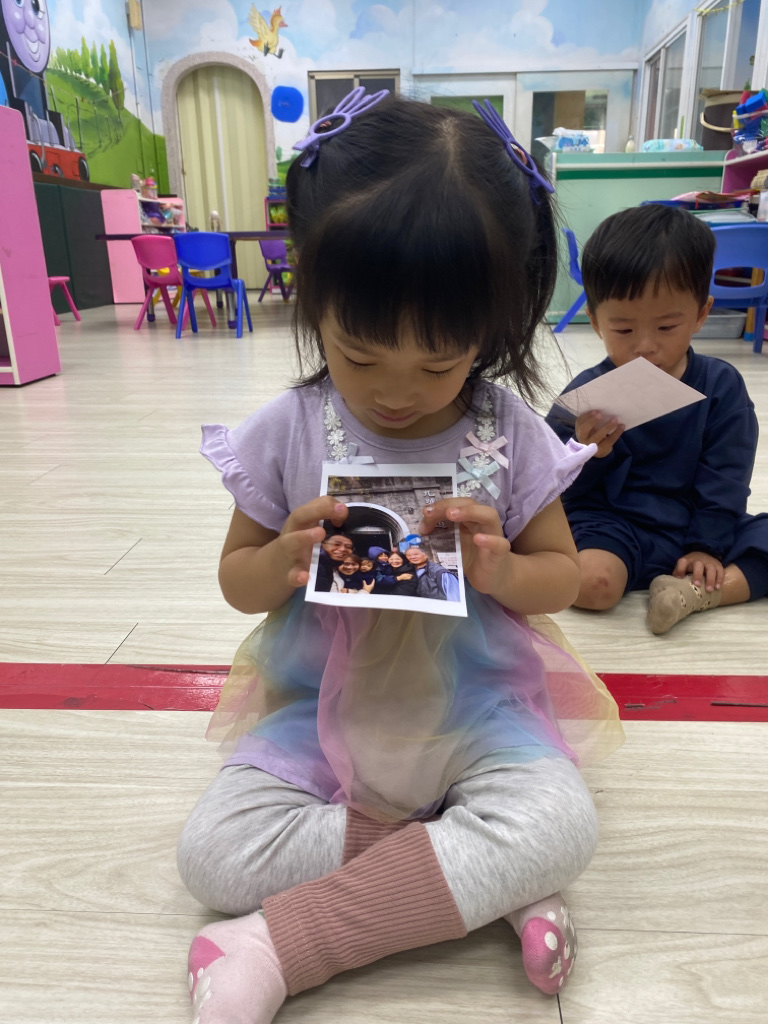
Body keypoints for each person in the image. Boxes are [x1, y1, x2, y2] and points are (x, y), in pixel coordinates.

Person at [181, 92, 623, 1024]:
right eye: (358, 354)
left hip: (474, 707)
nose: (395, 392)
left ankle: (275, 947)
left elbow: (562, 574)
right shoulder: (291, 427)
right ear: (315, 303)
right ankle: (476, 878)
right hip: (318, 708)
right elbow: (235, 581)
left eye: (437, 366)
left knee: (565, 824)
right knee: (212, 856)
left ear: (493, 328)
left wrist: (503, 569)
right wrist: (285, 558)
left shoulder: (507, 431)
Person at [545, 204, 768, 634]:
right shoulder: (586, 397)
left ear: (701, 313)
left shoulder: (721, 387)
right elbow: (551, 485)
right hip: (612, 524)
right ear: (595, 322)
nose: (645, 347)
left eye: (666, 327)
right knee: (591, 583)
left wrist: (706, 546)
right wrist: (587, 453)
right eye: (624, 330)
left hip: (695, 522)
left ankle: (695, 593)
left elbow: (727, 477)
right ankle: (700, 586)